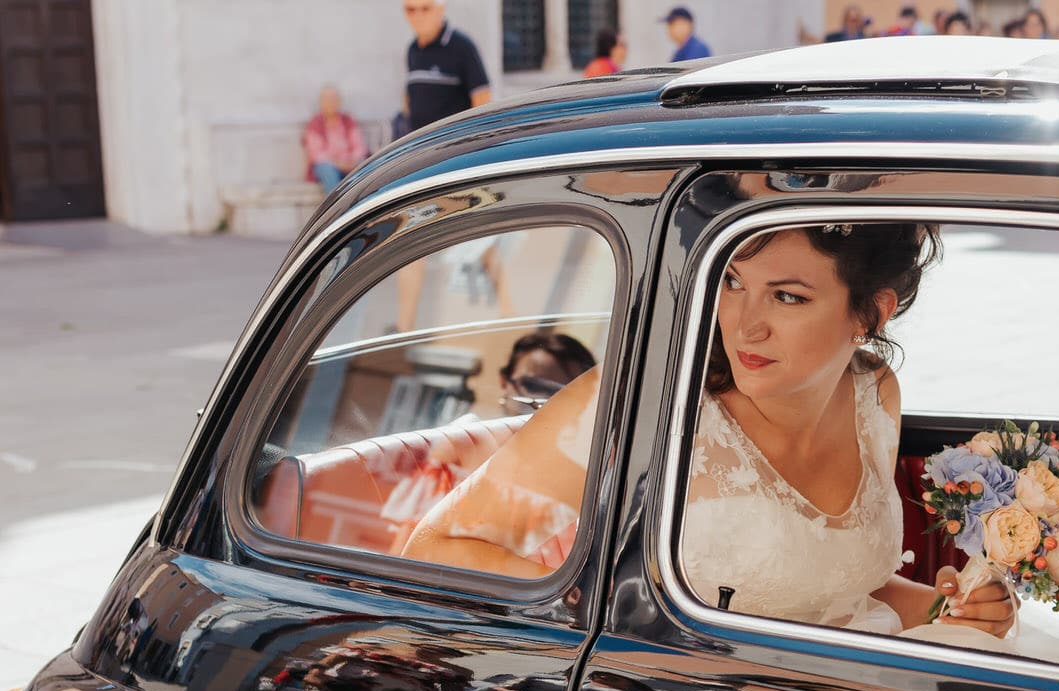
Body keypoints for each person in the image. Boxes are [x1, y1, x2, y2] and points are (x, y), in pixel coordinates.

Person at [404, 224, 1012, 632]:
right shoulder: (631, 406)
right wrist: (607, 619)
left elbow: (846, 594)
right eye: (732, 282)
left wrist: (951, 606)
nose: (744, 326)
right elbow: (432, 552)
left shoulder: (873, 393)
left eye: (788, 298)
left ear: (872, 313)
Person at [402, 0, 491, 133]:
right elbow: (411, 95)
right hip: (420, 147)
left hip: (454, 148)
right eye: (411, 10)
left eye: (425, 9)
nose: (417, 16)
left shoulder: (462, 46)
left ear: (440, 9)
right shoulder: (412, 49)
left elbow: (482, 98)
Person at [302, 85, 367, 194]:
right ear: (321, 102)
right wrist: (339, 163)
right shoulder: (315, 123)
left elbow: (359, 147)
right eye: (327, 99)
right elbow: (316, 154)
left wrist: (352, 160)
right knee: (327, 170)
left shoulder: (348, 121)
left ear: (339, 101)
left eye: (334, 99)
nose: (331, 102)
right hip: (328, 165)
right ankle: (338, 208)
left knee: (363, 167)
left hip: (349, 163)